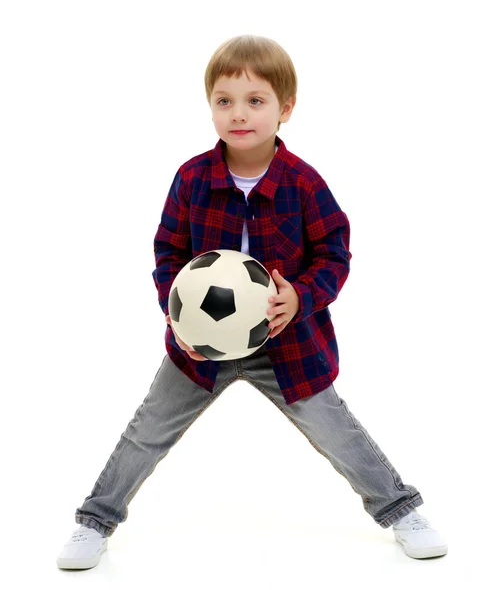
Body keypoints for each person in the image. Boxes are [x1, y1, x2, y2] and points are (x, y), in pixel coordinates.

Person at [57, 34, 447, 570]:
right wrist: (180, 314)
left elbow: (335, 255)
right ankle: (94, 522)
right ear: (210, 106)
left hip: (287, 343)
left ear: (285, 108)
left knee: (337, 431)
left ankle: (402, 510)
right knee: (146, 430)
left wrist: (301, 297)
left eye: (255, 100)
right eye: (224, 101)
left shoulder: (305, 184)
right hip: (199, 346)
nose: (239, 114)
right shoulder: (192, 178)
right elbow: (167, 251)